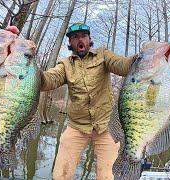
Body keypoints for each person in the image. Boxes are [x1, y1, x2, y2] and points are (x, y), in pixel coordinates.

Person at [40, 22, 137, 180]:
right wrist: (28, 69)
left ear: (89, 39)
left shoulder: (103, 55)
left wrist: (144, 57)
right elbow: (48, 80)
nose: (80, 39)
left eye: (84, 36)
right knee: (60, 175)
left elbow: (124, 66)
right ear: (70, 43)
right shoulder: (65, 65)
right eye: (75, 37)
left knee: (108, 176)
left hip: (107, 125)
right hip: (77, 126)